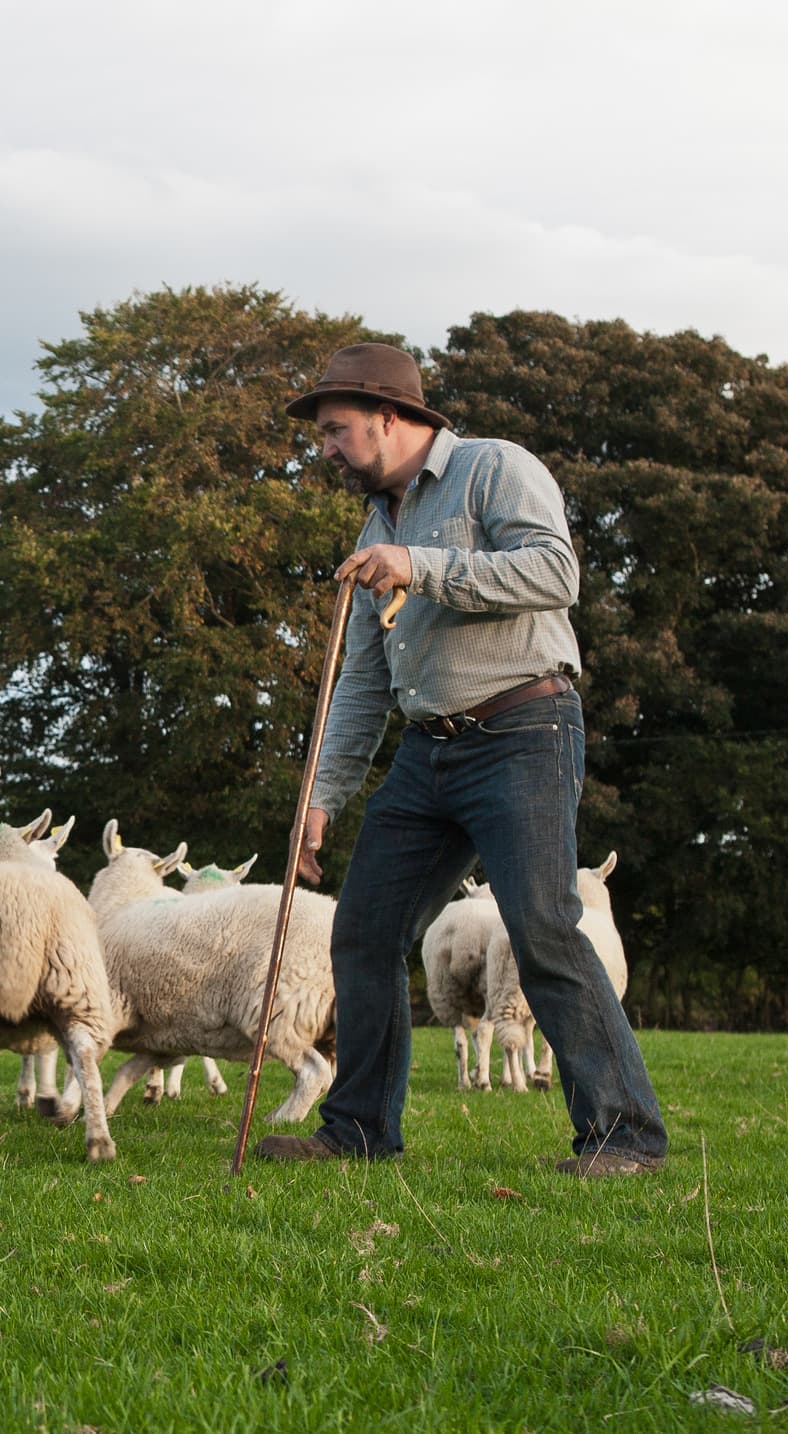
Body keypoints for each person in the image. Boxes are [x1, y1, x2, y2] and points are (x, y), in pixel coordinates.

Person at [250, 343, 667, 1176]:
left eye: (335, 431)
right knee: (363, 933)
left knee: (544, 927)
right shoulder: (379, 524)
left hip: (524, 730)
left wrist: (423, 565)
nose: (324, 449)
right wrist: (323, 796)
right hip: (425, 753)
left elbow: (556, 572)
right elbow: (366, 679)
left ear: (391, 418)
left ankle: (625, 1137)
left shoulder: (492, 469)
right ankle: (360, 1128)